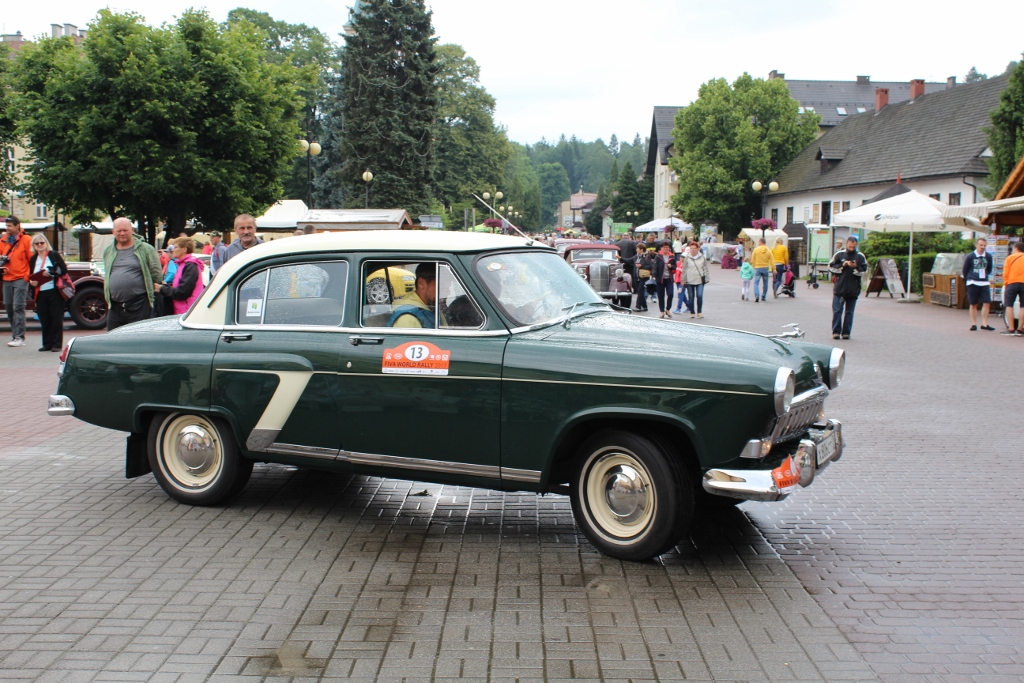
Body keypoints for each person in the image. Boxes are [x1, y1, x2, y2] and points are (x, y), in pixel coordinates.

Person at [102, 217, 163, 331]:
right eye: (119, 231)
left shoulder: (146, 249)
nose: (122, 233)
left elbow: (157, 275)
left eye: (125, 230)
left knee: (139, 339)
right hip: (115, 306)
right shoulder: (108, 251)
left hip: (140, 305)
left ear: (132, 230)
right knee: (112, 339)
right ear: (113, 232)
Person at [28, 234, 68, 352]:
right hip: (40, 292)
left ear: (46, 243)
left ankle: (56, 344)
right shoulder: (33, 259)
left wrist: (50, 272)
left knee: (56, 318)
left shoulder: (53, 255)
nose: (40, 245)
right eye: (37, 243)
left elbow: (63, 269)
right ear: (33, 246)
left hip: (55, 290)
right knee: (44, 318)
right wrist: (32, 282)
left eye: (42, 242)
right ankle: (47, 343)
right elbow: (31, 274)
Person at [1, 215, 33, 347]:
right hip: (6, 277)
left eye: (9, 226)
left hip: (21, 277)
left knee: (18, 307)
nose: (7, 228)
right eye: (6, 226)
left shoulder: (26, 240)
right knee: (9, 307)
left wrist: (27, 276)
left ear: (17, 226)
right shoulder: (3, 240)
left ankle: (19, 336)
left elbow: (31, 259)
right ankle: (15, 335)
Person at [828, 236, 868, 339]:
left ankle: (846, 333)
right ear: (846, 244)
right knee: (837, 311)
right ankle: (836, 332)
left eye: (853, 247)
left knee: (849, 312)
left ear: (856, 245)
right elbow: (830, 267)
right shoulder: (839, 254)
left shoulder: (860, 256)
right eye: (850, 246)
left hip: (853, 288)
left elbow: (864, 271)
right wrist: (843, 265)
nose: (851, 248)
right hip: (839, 288)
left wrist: (856, 267)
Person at [155, 237, 206, 316]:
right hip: (183, 310)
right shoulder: (183, 264)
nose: (172, 250)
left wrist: (162, 289)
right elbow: (179, 286)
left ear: (184, 249)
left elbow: (183, 292)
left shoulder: (190, 266)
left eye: (175, 247)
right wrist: (166, 285)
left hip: (187, 311)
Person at [388, 263, 436, 328]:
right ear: (421, 284)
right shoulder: (408, 319)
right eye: (439, 285)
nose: (445, 291)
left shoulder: (430, 308)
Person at [963, 237, 995, 331]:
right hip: (973, 281)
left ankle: (984, 323)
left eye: (984, 245)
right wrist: (968, 280)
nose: (983, 247)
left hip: (984, 282)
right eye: (981, 245)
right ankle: (974, 324)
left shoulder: (988, 256)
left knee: (986, 302)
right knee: (973, 303)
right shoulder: (970, 256)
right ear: (976, 245)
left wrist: (985, 276)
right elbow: (965, 269)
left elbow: (989, 268)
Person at [681, 240, 710, 318]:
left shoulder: (702, 257)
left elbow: (705, 268)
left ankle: (699, 312)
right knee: (691, 297)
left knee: (699, 295)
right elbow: (684, 269)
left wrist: (707, 277)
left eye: (694, 248)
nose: (693, 250)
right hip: (689, 280)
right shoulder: (687, 258)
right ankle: (692, 312)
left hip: (699, 280)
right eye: (691, 248)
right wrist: (683, 280)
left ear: (697, 249)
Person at [1001, 241, 1024, 336]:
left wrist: (1006, 283)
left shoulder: (1009, 258)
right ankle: (1020, 328)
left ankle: (1011, 328)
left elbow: (1005, 273)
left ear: (1016, 248)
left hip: (1012, 283)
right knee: (1023, 306)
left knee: (1009, 305)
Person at [652, 241, 677, 319]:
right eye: (664, 247)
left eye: (667, 247)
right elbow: (655, 266)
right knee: (661, 296)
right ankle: (662, 311)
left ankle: (668, 309)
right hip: (660, 279)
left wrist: (671, 266)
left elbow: (675, 266)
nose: (666, 249)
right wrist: (654, 275)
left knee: (670, 294)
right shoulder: (658, 256)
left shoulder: (672, 256)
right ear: (661, 248)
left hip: (669, 278)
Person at [750, 238, 773, 302]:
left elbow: (752, 260)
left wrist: (754, 266)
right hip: (765, 268)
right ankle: (763, 296)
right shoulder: (768, 251)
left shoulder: (756, 250)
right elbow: (772, 261)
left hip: (758, 267)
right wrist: (774, 269)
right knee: (765, 283)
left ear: (760, 242)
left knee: (756, 283)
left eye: (759, 242)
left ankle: (757, 295)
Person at [634, 248, 655, 312]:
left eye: (637, 249)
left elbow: (650, 266)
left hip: (644, 276)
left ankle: (638, 306)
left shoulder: (647, 256)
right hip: (638, 277)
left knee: (640, 291)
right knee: (640, 292)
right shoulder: (637, 256)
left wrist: (641, 266)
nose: (636, 250)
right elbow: (629, 260)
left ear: (641, 249)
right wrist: (621, 258)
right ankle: (644, 306)